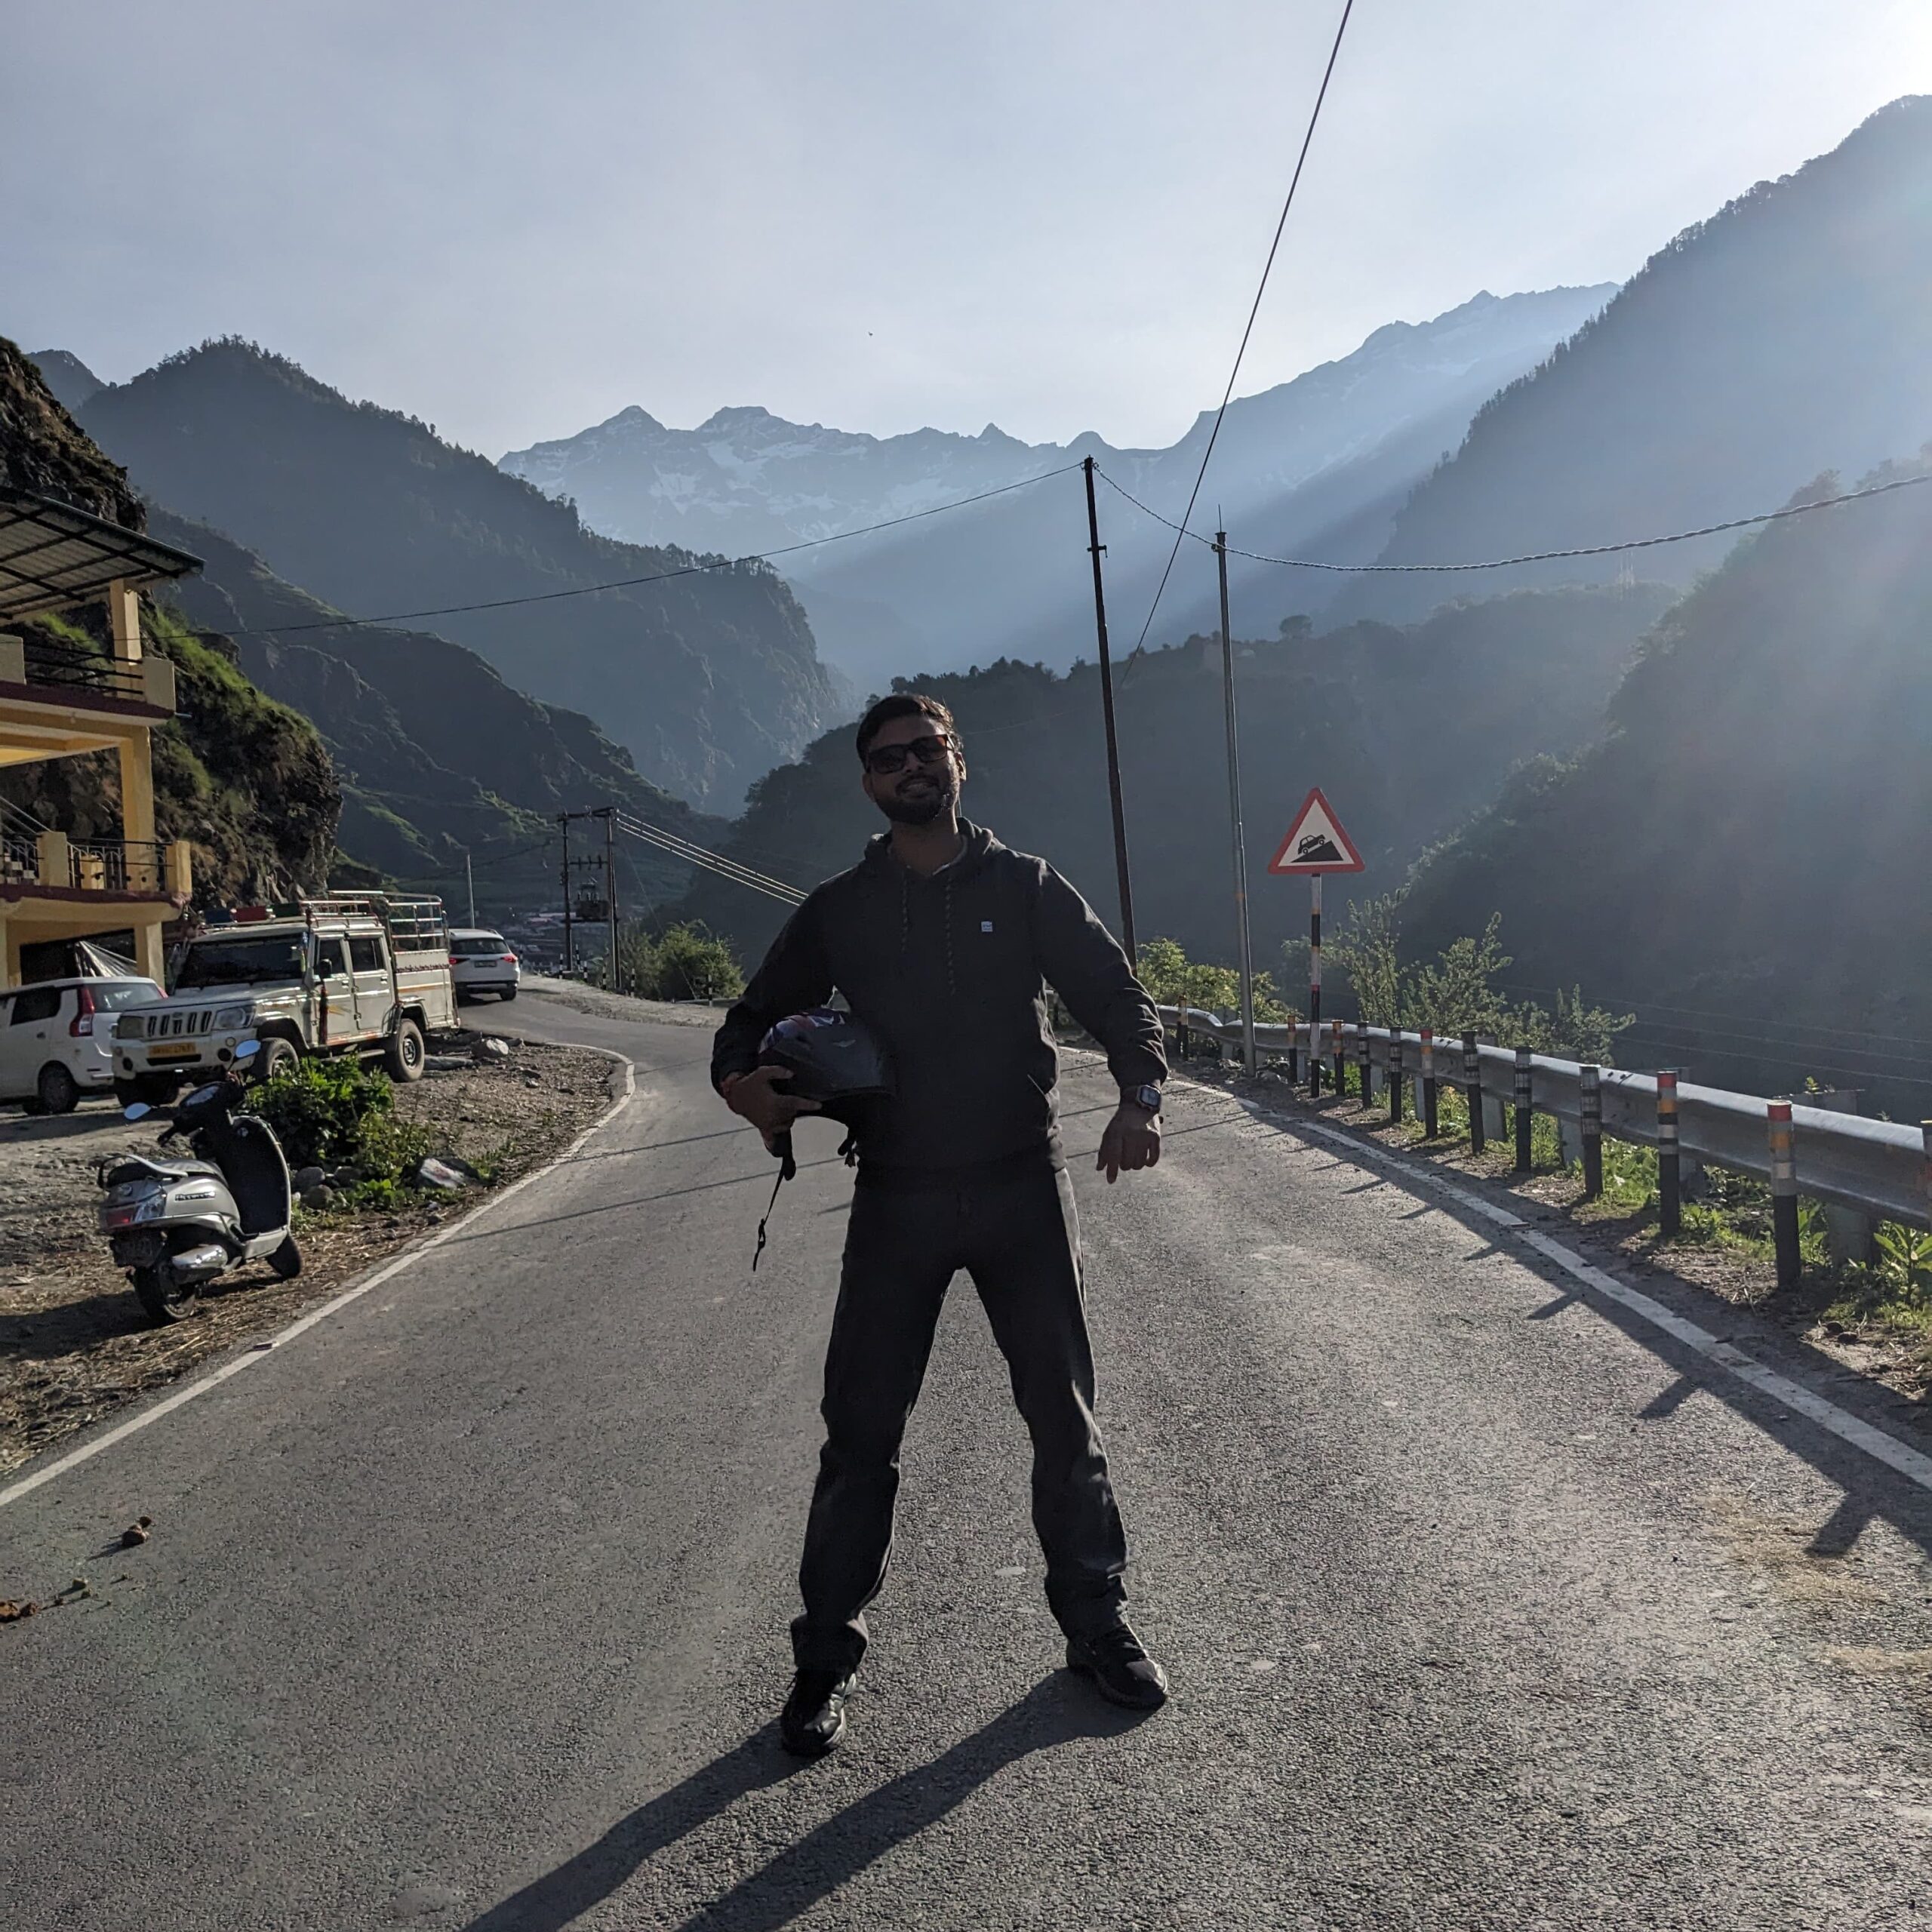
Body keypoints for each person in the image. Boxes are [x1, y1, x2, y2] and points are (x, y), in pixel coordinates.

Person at [712, 692, 1171, 1758]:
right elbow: (747, 1020)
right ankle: (822, 1661)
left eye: (928, 749)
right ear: (868, 782)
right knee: (859, 1436)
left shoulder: (1026, 887)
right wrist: (743, 1085)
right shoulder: (840, 908)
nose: (912, 767)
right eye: (890, 758)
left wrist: (1141, 1098)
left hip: (1020, 1186)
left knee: (1063, 1421)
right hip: (898, 1195)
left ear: (958, 760)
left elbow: (1117, 997)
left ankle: (1096, 1626)